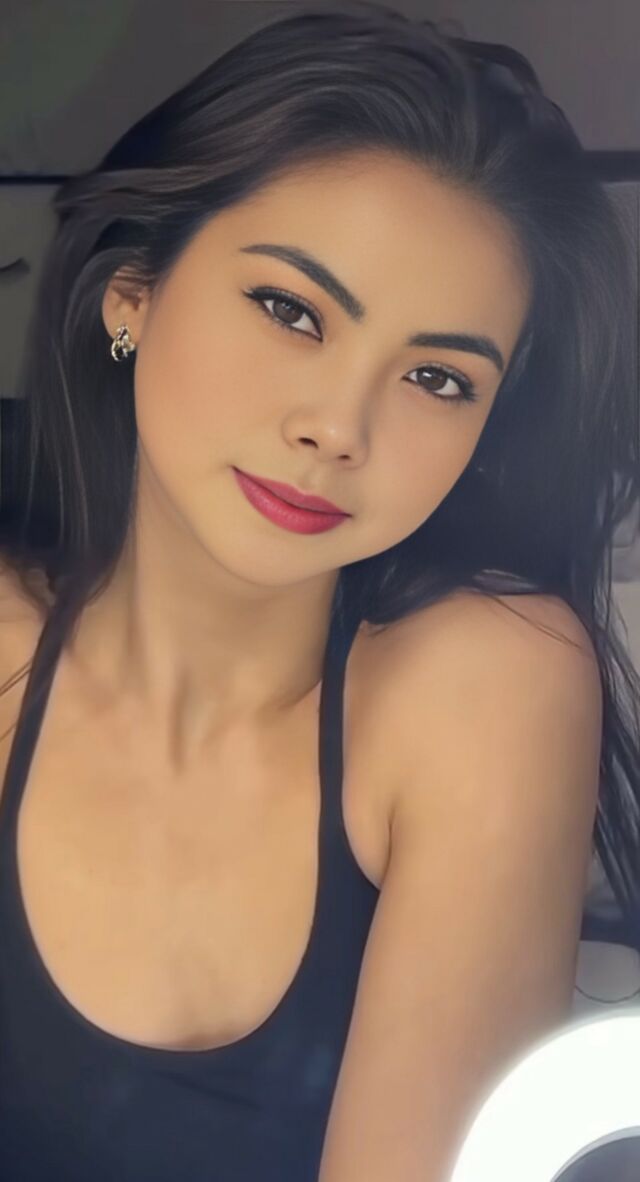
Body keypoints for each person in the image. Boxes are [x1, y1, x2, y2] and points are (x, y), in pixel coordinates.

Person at [0, 2, 638, 1179]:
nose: (338, 428)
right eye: (291, 311)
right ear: (132, 291)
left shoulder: (481, 686)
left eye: (437, 378)